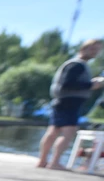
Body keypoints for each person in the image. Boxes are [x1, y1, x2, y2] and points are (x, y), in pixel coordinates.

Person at [37, 39, 104, 169]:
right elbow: (68, 84)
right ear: (83, 49)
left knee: (53, 131)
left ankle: (43, 161)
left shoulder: (75, 64)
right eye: (92, 49)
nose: (95, 52)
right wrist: (92, 84)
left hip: (62, 102)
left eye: (97, 50)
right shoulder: (77, 65)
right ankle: (54, 162)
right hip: (70, 103)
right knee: (68, 132)